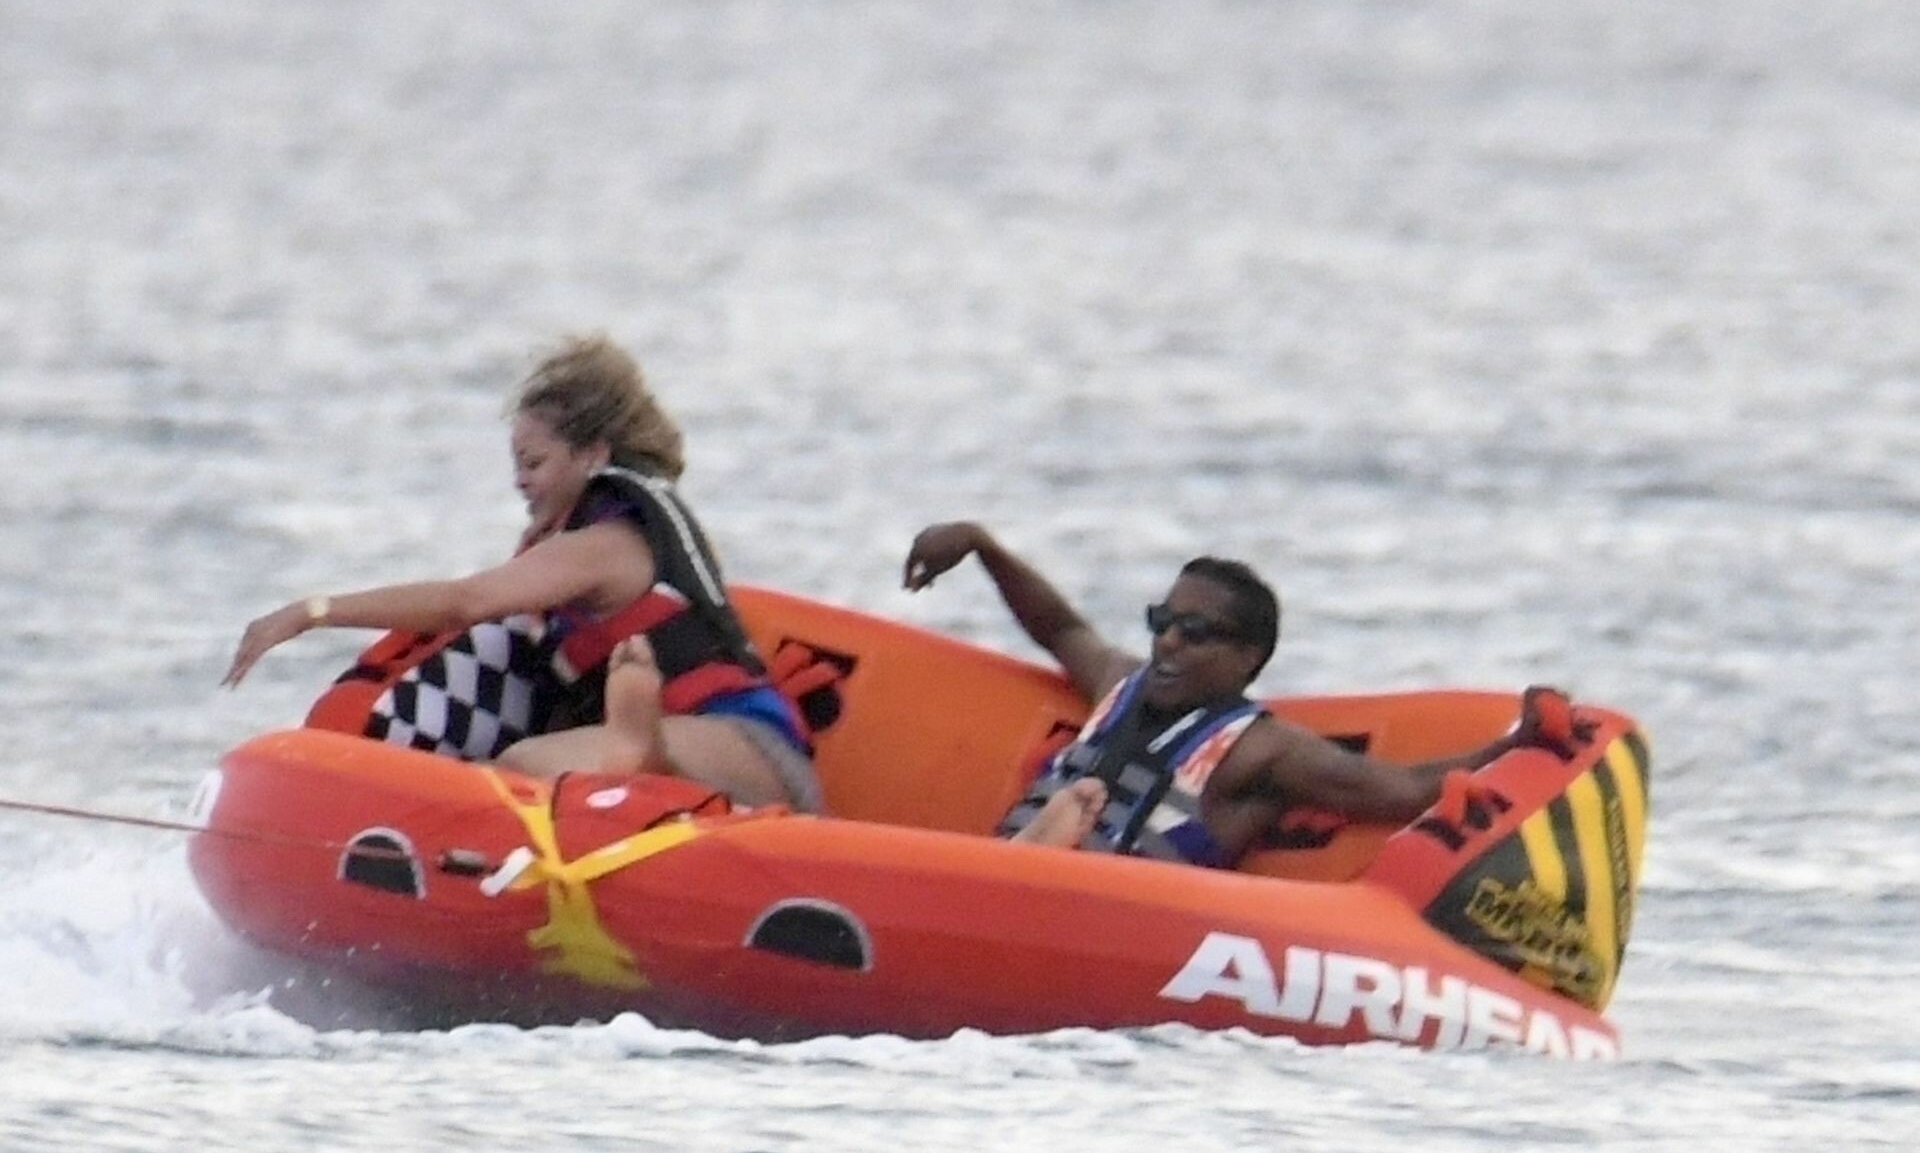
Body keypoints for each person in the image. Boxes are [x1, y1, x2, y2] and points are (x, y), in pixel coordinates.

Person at [223, 334, 823, 811]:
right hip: (683, 755)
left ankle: (640, 747)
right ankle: (632, 749)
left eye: (533, 463)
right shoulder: (572, 549)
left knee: (518, 770)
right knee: (491, 779)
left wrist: (313, 612)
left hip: (749, 748)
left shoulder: (608, 543)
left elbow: (464, 602)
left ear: (593, 456)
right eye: (516, 465)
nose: (520, 481)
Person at [902, 521, 1557, 869]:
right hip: (1000, 877)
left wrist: (1517, 744)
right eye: (1162, 622)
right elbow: (1061, 628)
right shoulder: (1119, 682)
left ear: (1248, 657)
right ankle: (1036, 848)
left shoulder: (1260, 750)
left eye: (1195, 633)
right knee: (1055, 817)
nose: (1168, 643)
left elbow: (1403, 790)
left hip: (1115, 914)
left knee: (1073, 822)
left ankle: (1048, 848)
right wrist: (981, 546)